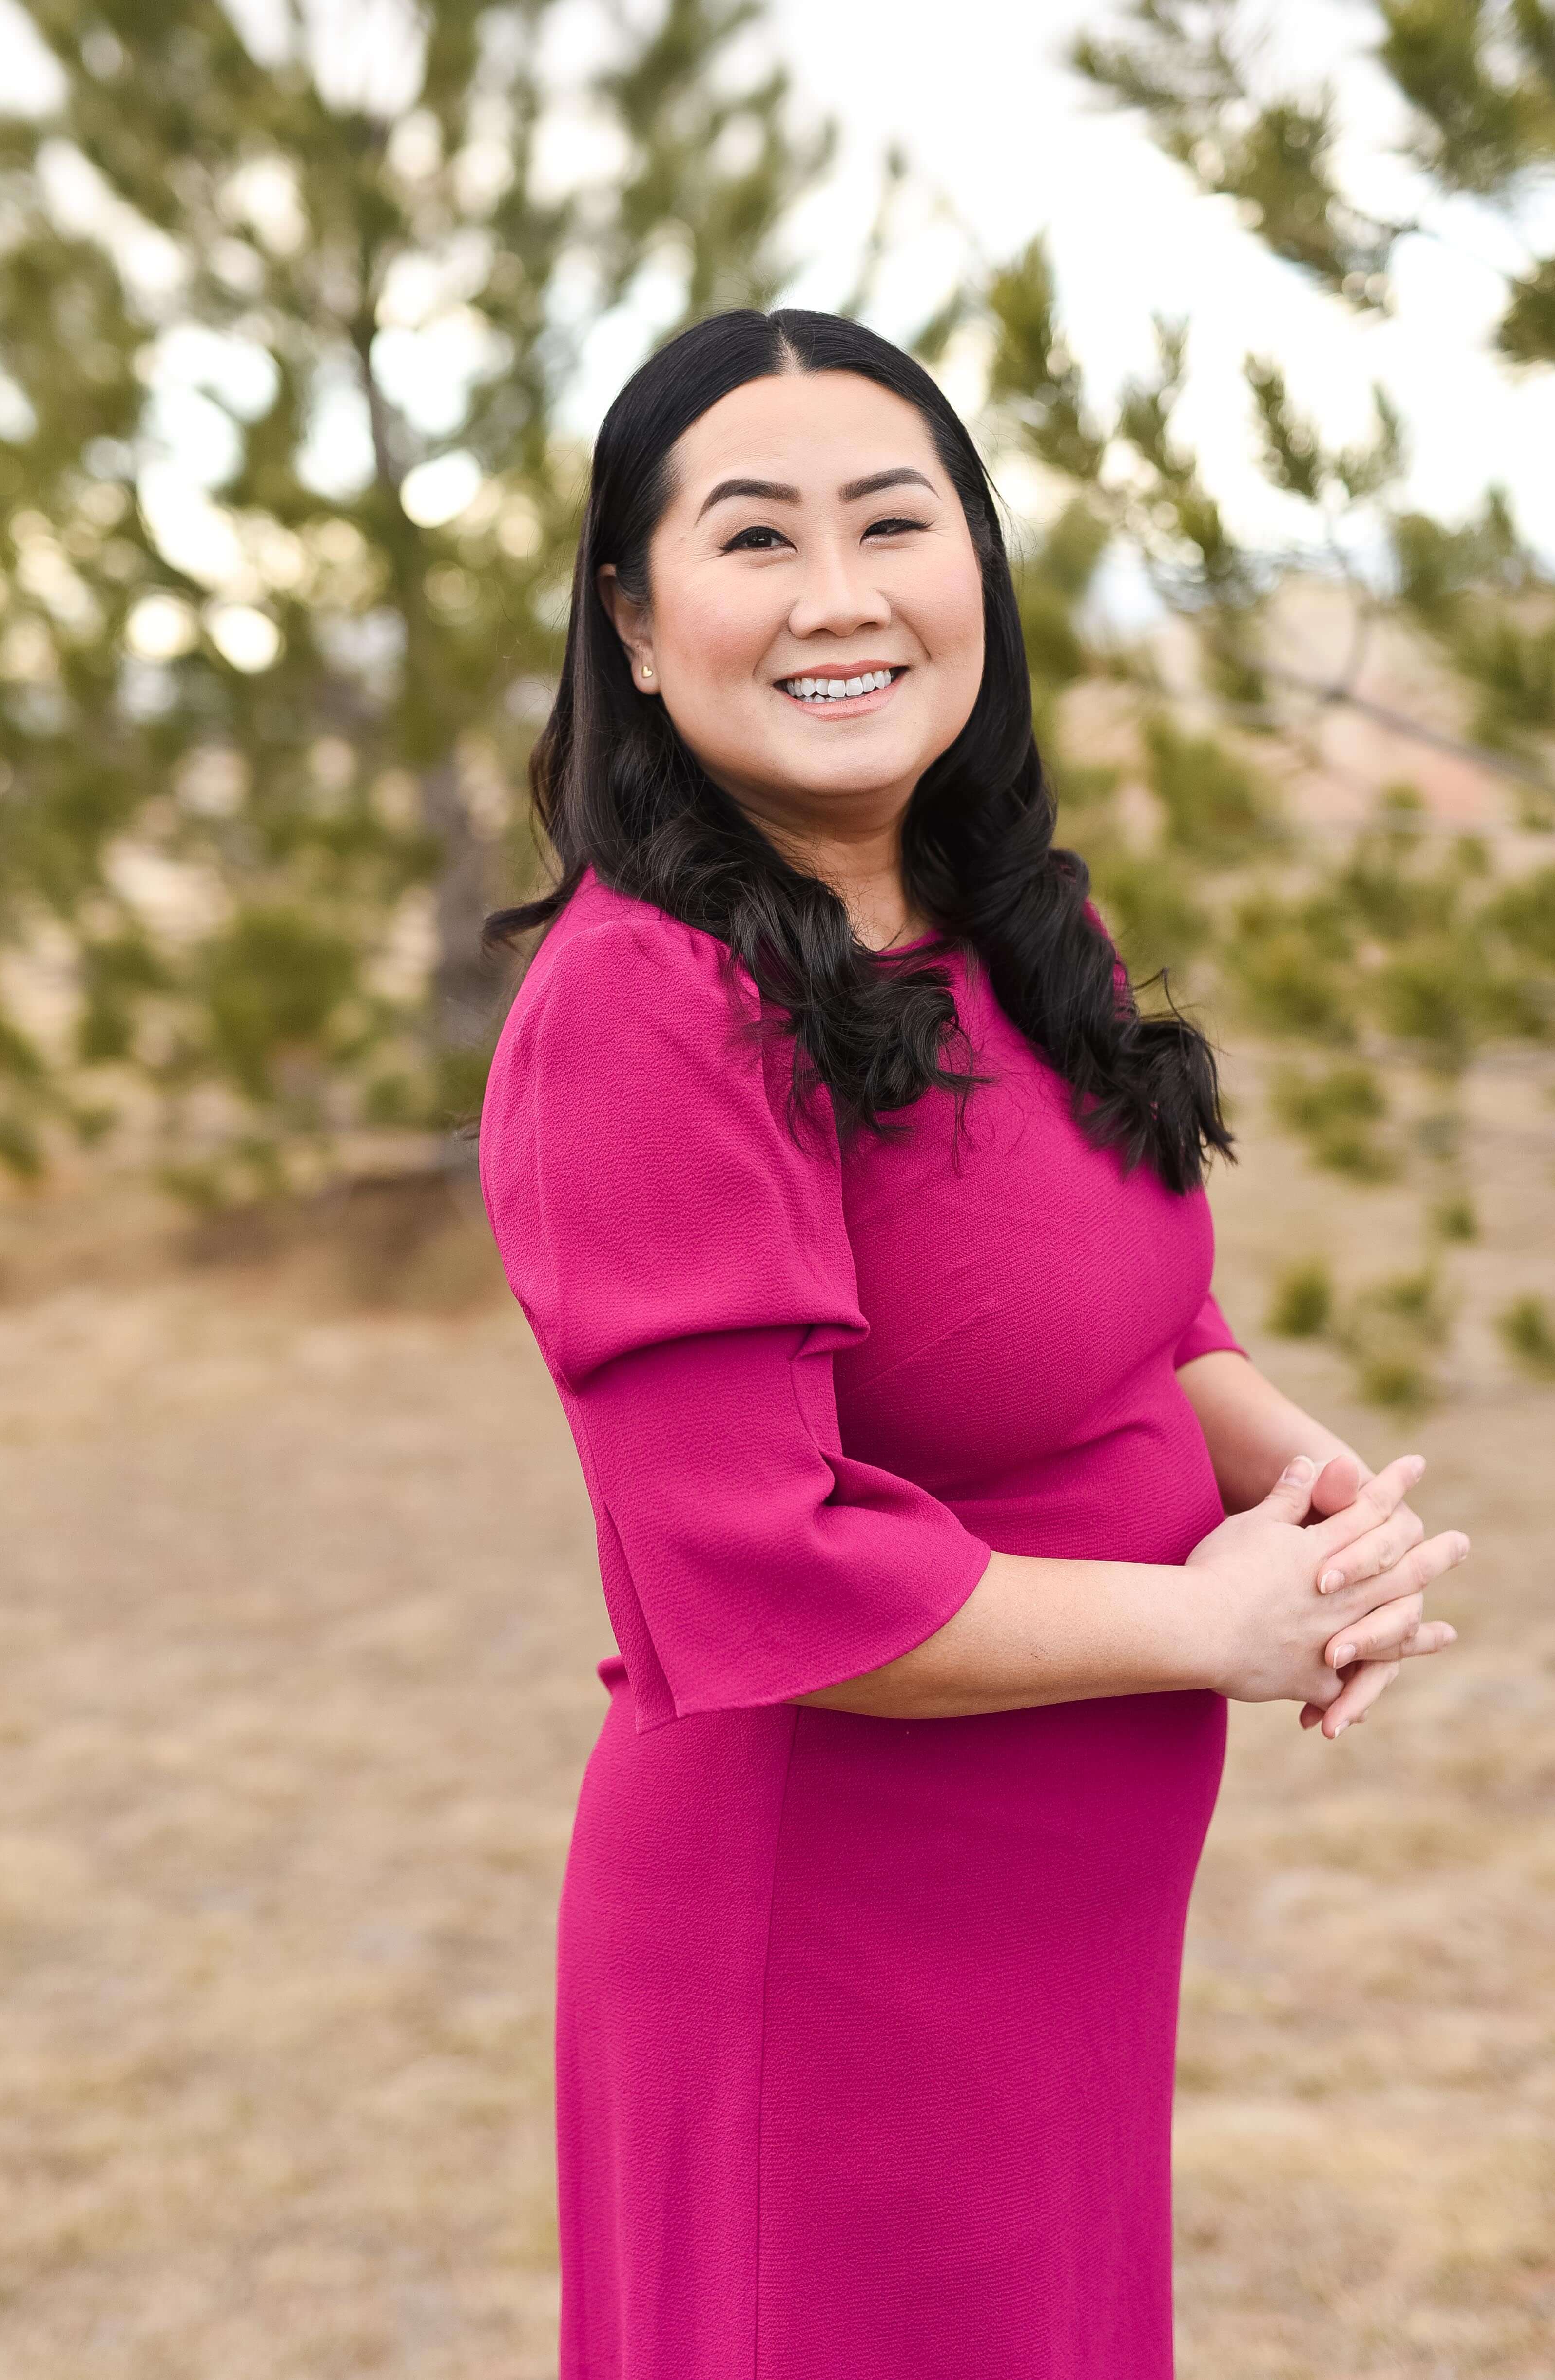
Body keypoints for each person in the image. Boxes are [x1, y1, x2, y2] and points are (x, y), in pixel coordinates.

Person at [475, 309, 1468, 2380]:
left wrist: (1311, 1507)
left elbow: (1143, 1328)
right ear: (636, 628)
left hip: (1058, 1944)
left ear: (976, 578)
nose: (838, 598)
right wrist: (1210, 1630)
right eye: (753, 541)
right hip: (824, 1942)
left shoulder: (1016, 924)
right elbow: (763, 1573)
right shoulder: (644, 1011)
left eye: (890, 523)